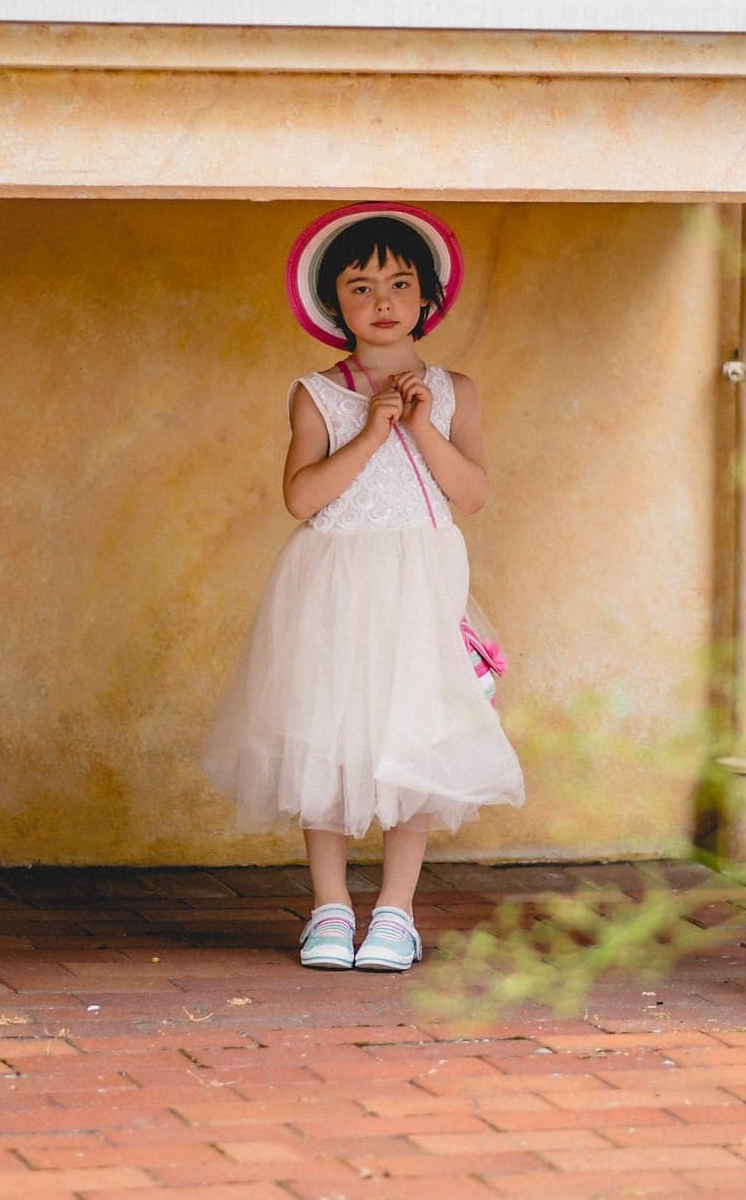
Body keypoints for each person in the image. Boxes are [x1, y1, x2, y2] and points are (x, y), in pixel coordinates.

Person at [202, 203, 526, 973]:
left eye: (398, 282)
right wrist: (371, 431)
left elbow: (471, 493)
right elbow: (302, 497)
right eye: (360, 285)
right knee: (331, 737)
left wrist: (418, 427)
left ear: (425, 298)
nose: (381, 300)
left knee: (410, 737)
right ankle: (328, 907)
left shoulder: (456, 392)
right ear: (333, 303)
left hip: (420, 586)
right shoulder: (318, 393)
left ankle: (394, 912)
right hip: (335, 587)